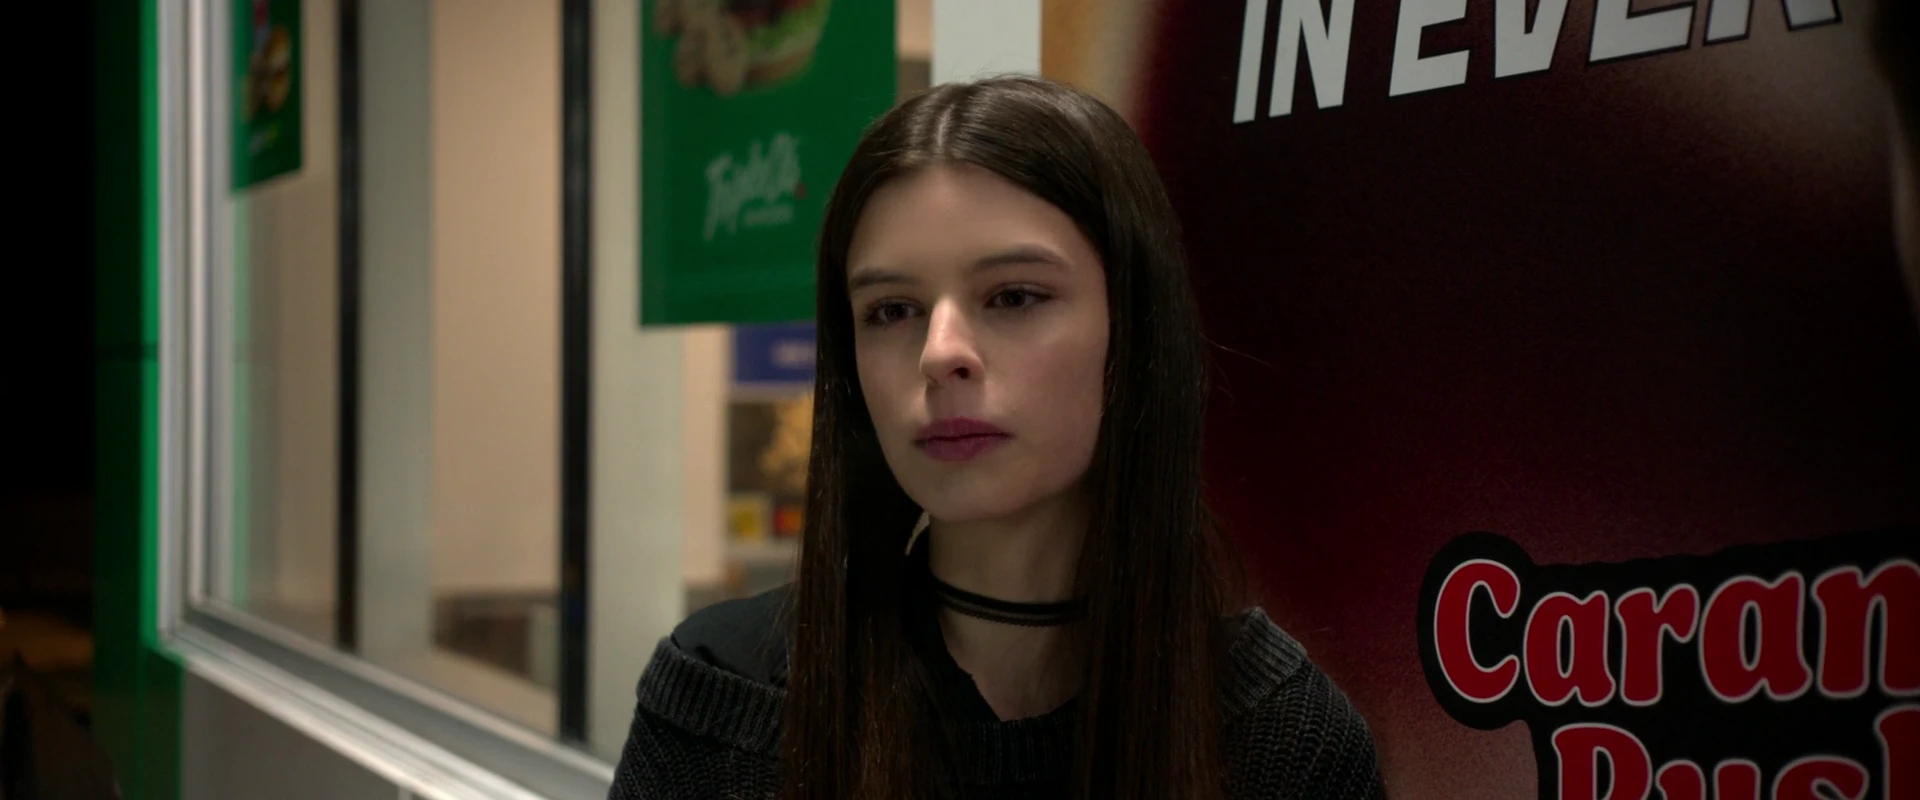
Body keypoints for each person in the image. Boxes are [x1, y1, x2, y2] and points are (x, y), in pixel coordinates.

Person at [608, 76, 1384, 800]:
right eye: (891, 310)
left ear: (1134, 329)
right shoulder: (721, 700)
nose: (940, 352)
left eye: (1013, 296)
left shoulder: (1281, 741)